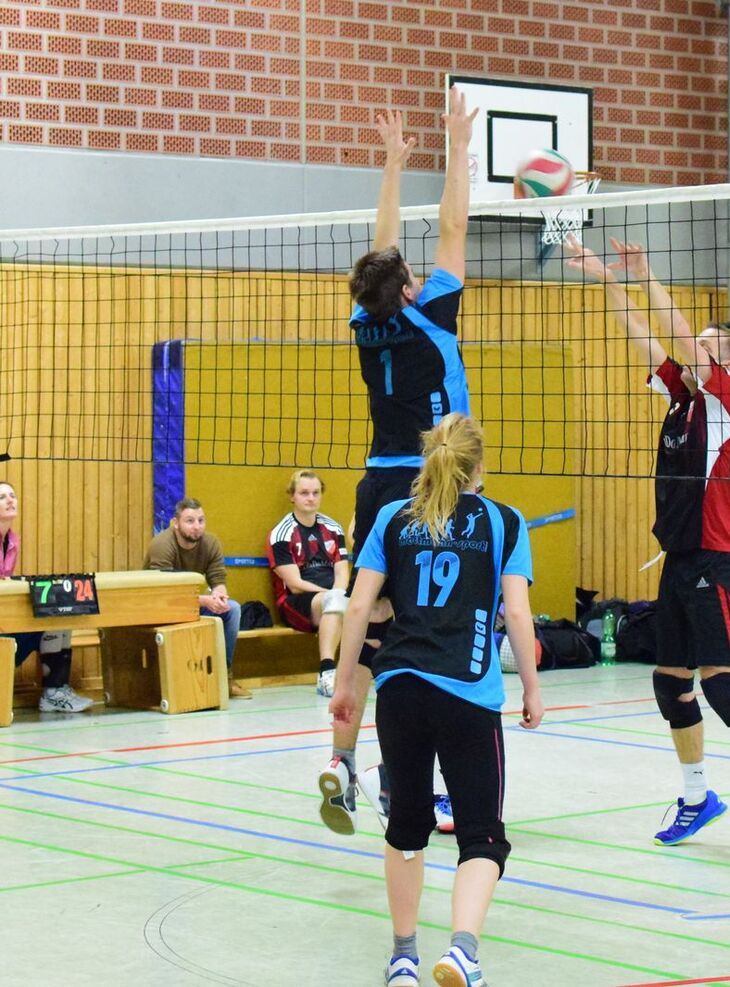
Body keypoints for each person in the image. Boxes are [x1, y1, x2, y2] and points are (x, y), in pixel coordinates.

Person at [565, 236, 730, 858]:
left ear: (726, 365)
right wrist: (607, 277)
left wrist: (650, 274)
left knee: (721, 685)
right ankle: (699, 796)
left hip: (716, 559)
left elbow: (671, 330)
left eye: (705, 346)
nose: (691, 351)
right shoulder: (683, 401)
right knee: (670, 683)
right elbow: (644, 336)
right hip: (678, 557)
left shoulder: (728, 399)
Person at [328, 413, 543, 987]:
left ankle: (403, 958)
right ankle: (463, 953)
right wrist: (532, 688)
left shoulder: (393, 518)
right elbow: (516, 614)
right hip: (468, 692)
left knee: (407, 825)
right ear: (481, 466)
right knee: (482, 835)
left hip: (398, 687)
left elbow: (356, 608)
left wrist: (345, 684)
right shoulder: (504, 522)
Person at [316, 93, 478, 836]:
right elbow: (452, 224)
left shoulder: (366, 320)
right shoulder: (430, 313)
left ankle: (342, 763)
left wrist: (389, 165)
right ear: (410, 289)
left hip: (374, 481)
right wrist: (456, 148)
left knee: (374, 629)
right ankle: (415, 780)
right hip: (429, 484)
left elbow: (381, 249)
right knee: (429, 635)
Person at [145, 497, 250, 699]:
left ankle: (224, 677)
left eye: (201, 520)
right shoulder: (162, 545)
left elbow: (218, 577)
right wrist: (204, 600)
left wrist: (219, 596)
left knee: (232, 609)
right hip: (161, 606)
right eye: (190, 521)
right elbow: (165, 592)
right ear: (176, 524)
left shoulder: (211, 543)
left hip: (193, 603)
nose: (197, 527)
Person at [0, 481, 90, 713]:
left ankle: (55, 692)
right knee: (51, 616)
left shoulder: (12, 540)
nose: (10, 500)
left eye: (12, 495)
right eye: (2, 497)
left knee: (60, 613)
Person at [267, 470, 350, 697]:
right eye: (304, 493)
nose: (311, 498)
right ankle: (327, 673)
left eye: (315, 493)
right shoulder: (281, 533)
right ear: (292, 496)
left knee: (376, 602)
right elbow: (295, 584)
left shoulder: (333, 528)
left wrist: (340, 592)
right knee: (336, 600)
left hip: (330, 597)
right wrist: (333, 595)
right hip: (295, 603)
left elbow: (342, 570)